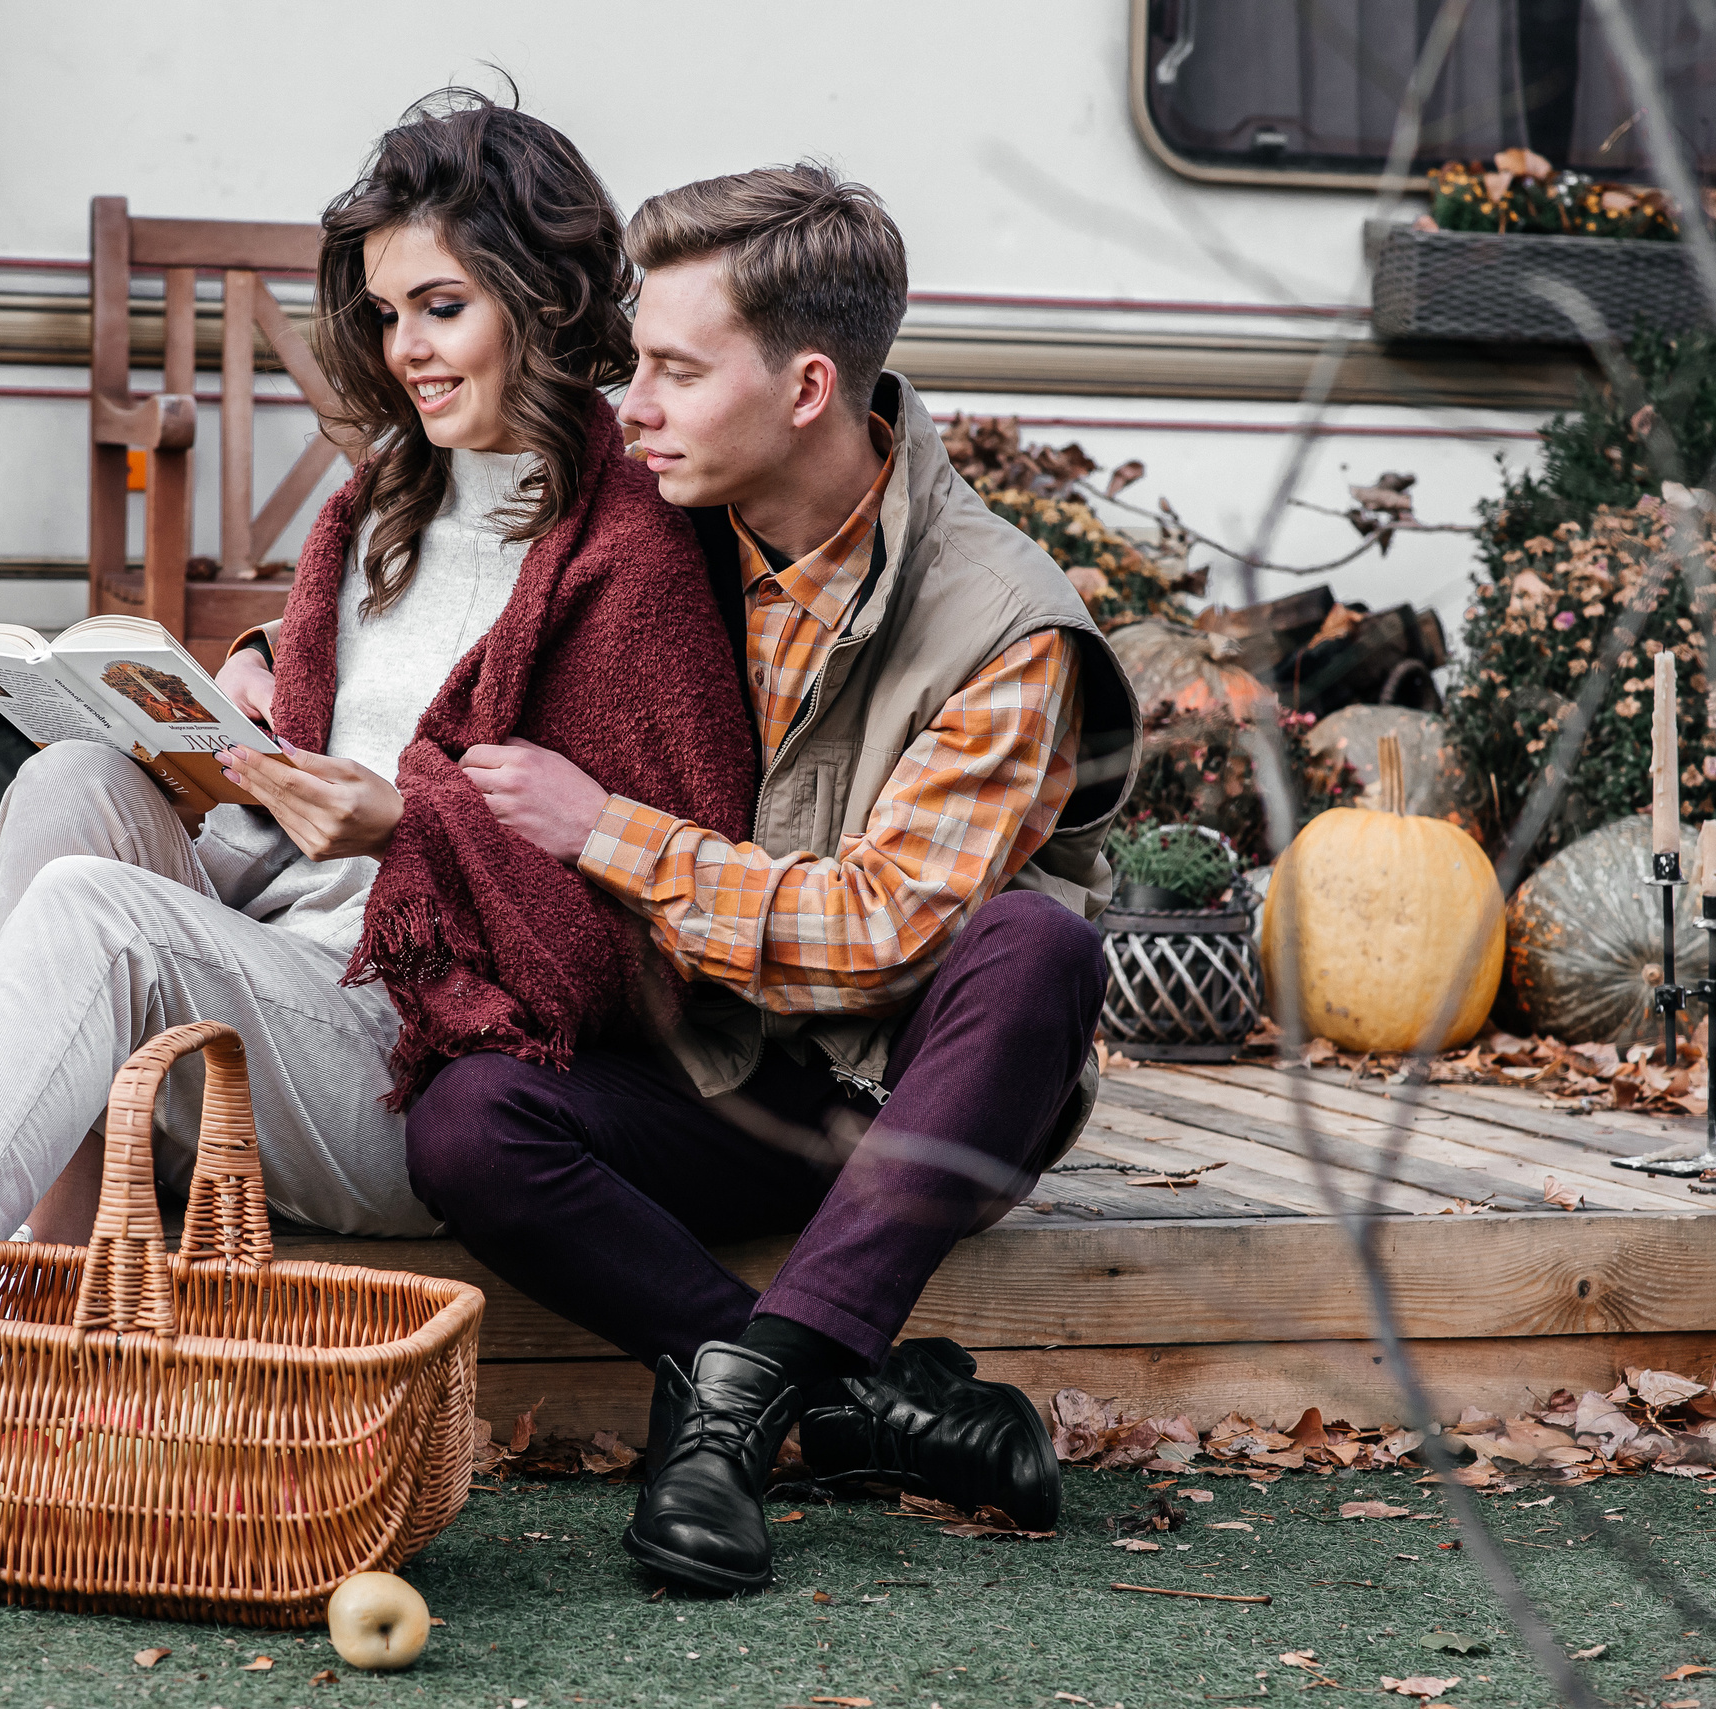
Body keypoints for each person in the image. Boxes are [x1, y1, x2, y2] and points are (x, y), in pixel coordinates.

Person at [0, 95, 757, 1574]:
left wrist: (407, 821)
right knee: (69, 786)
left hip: (431, 1054)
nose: (410, 350)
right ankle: (39, 1303)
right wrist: (233, 725)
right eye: (388, 314)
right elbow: (325, 758)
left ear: (544, 292)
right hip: (288, 961)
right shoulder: (379, 501)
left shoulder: (630, 550)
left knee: (95, 915)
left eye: (445, 307)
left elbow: (636, 949)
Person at [405, 164, 1139, 1595]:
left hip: (919, 1103)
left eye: (676, 371)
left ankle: (727, 1415)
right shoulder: (657, 528)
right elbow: (450, 592)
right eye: (638, 366)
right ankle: (837, 1396)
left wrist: (608, 829)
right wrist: (271, 662)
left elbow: (875, 937)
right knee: (471, 1121)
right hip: (731, 1072)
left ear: (808, 386)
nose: (638, 406)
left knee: (1038, 950)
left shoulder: (1005, 628)